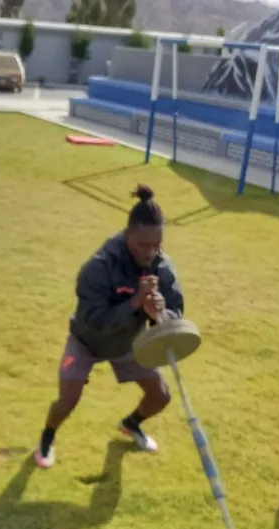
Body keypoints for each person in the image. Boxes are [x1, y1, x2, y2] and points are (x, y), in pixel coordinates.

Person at [35, 185, 185, 469]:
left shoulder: (162, 267)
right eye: (143, 244)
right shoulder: (99, 266)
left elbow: (176, 314)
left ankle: (131, 424)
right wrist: (135, 303)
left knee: (161, 396)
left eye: (157, 244)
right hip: (87, 340)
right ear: (127, 234)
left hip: (128, 343)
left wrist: (159, 313)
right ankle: (48, 436)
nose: (151, 252)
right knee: (67, 400)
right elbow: (93, 319)